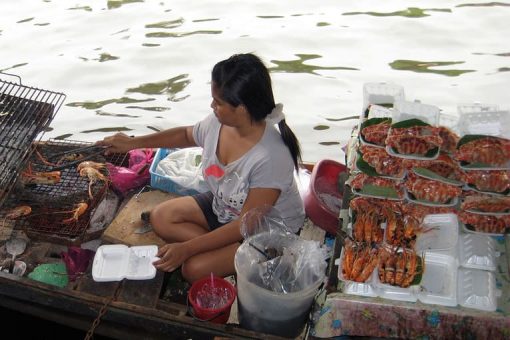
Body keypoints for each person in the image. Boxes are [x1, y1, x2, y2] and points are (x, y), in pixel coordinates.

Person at [97, 53, 305, 283]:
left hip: (263, 230)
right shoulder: (218, 123)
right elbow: (186, 135)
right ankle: (221, 252)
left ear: (242, 109)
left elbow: (245, 224)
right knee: (161, 217)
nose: (212, 106)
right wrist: (132, 143)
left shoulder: (270, 157)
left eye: (218, 102)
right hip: (226, 208)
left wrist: (187, 248)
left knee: (192, 269)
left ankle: (264, 255)